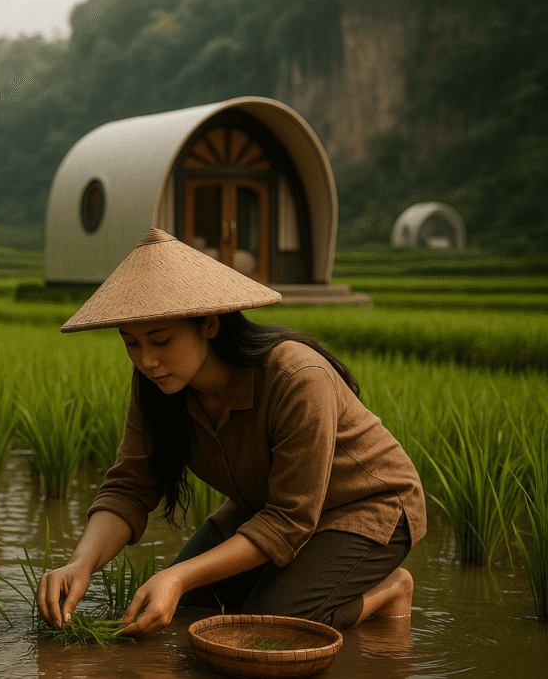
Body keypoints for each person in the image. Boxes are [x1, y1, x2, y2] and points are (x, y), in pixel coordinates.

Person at [37, 228, 426, 637]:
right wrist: (79, 563)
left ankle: (389, 590)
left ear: (209, 324)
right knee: (188, 615)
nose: (147, 360)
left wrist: (179, 575)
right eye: (131, 343)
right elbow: (129, 487)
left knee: (269, 629)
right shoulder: (156, 386)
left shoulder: (297, 377)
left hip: (365, 509)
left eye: (162, 340)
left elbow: (289, 520)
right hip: (264, 507)